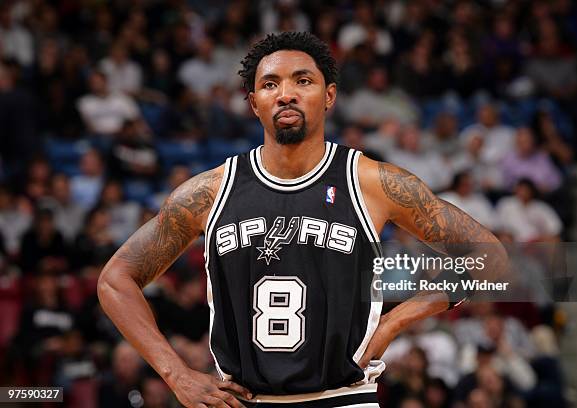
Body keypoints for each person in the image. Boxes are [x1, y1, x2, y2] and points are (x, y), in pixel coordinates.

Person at [98, 32, 506, 408]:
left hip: (344, 398)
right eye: (270, 84)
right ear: (254, 101)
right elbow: (116, 280)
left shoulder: (372, 183)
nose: (285, 94)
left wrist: (394, 322)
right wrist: (177, 375)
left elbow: (493, 258)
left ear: (329, 96)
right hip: (242, 400)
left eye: (302, 81)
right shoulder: (208, 193)